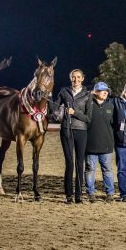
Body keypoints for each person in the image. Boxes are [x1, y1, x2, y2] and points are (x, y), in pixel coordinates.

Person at [54, 69, 92, 204]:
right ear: (70, 78)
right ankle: (68, 195)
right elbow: (55, 110)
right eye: (73, 77)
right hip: (66, 130)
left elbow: (88, 118)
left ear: (82, 78)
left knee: (79, 164)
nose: (75, 80)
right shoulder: (64, 91)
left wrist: (74, 112)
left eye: (78, 77)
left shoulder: (87, 94)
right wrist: (59, 112)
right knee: (69, 163)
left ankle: (78, 195)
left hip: (81, 131)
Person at [84, 81, 115, 203]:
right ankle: (91, 193)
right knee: (90, 169)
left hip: (106, 145)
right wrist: (90, 93)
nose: (105, 92)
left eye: (106, 90)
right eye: (102, 90)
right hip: (90, 145)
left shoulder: (111, 105)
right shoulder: (88, 104)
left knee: (107, 170)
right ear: (95, 92)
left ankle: (110, 194)